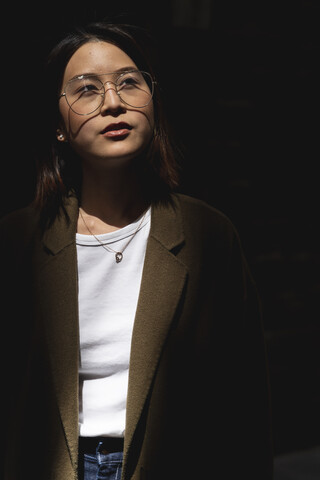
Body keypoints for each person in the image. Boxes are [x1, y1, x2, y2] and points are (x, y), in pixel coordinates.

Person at [2, 21, 273, 480]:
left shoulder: (207, 233)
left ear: (153, 101)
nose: (113, 102)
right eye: (86, 89)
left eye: (129, 82)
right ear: (58, 125)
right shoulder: (17, 242)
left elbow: (244, 397)